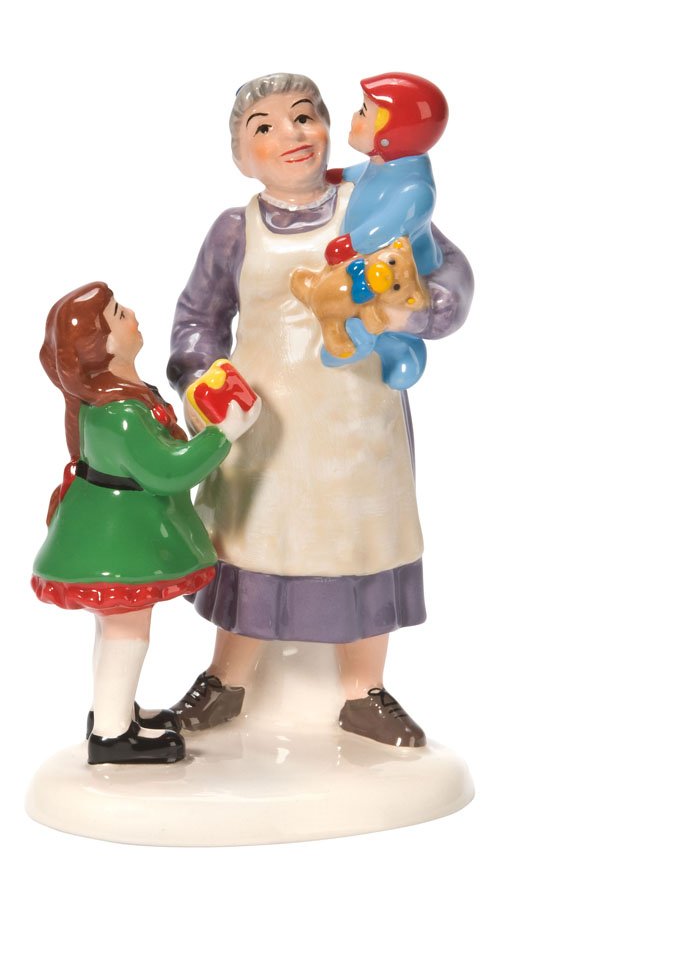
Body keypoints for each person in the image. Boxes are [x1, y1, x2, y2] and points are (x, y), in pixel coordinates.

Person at [166, 73, 474, 746]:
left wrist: (417, 308)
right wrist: (201, 381)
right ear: (241, 156)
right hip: (263, 424)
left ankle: (364, 689)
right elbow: (197, 320)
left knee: (361, 535)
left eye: (304, 116)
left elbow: (447, 276)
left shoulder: (379, 205)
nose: (291, 135)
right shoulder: (234, 231)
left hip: (355, 418)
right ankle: (227, 678)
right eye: (265, 127)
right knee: (252, 537)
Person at [32, 282, 260, 764]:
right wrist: (223, 434)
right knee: (126, 632)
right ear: (102, 346)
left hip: (112, 534)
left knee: (116, 629)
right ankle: (113, 736)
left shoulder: (116, 401)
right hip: (118, 545)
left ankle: (114, 714)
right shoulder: (120, 414)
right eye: (118, 314)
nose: (132, 314)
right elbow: (168, 471)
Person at [319, 72, 450, 389]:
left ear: (391, 135)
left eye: (364, 112)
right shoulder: (384, 164)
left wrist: (351, 243)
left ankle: (404, 351)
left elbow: (388, 226)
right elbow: (366, 172)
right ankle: (355, 338)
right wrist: (344, 174)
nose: (355, 117)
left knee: (386, 312)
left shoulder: (416, 189)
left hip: (402, 270)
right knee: (360, 297)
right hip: (367, 261)